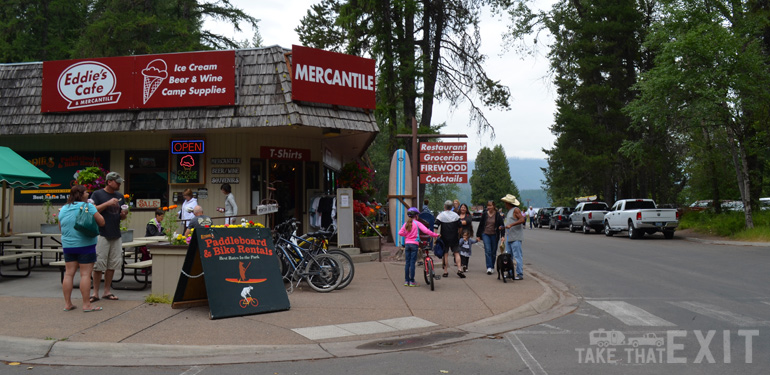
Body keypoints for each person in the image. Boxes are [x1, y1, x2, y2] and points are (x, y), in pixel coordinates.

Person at [59, 185, 105, 312]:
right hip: (85, 245)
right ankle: (86, 305)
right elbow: (101, 222)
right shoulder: (88, 206)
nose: (88, 194)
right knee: (85, 274)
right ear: (81, 194)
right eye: (86, 192)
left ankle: (68, 304)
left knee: (68, 274)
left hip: (68, 246)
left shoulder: (63, 208)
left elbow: (60, 228)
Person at [90, 171, 127, 302]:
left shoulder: (120, 196)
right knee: (99, 264)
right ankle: (95, 293)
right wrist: (107, 203)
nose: (119, 185)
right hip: (101, 233)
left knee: (112, 264)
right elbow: (92, 210)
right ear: (109, 181)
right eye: (117, 182)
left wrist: (123, 215)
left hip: (115, 233)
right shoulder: (97, 194)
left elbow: (121, 214)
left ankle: (107, 291)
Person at [398, 207, 439, 287]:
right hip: (414, 245)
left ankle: (407, 281)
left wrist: (406, 235)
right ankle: (412, 281)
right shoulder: (417, 223)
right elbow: (426, 231)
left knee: (407, 263)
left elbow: (400, 233)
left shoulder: (406, 224)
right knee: (412, 263)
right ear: (416, 216)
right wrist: (435, 235)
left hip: (407, 244)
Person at [435, 200, 463, 278]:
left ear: (444, 206)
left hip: (444, 237)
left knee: (445, 254)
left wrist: (436, 235)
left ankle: (445, 271)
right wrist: (459, 234)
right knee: (456, 253)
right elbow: (460, 226)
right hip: (454, 236)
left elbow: (436, 225)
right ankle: (459, 269)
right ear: (451, 207)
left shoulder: (441, 215)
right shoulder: (456, 215)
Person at [476, 200, 505, 275]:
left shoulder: (498, 215)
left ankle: (492, 266)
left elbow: (502, 226)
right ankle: (489, 267)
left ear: (494, 206)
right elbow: (481, 225)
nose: (488, 207)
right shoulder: (485, 214)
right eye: (488, 206)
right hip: (485, 234)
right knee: (488, 250)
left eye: (490, 206)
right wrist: (478, 235)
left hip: (494, 235)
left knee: (493, 251)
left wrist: (502, 236)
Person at [502, 194, 526, 280]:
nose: (505, 204)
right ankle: (510, 272)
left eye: (506, 202)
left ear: (508, 203)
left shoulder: (516, 210)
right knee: (509, 256)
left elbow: (522, 219)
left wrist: (511, 224)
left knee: (517, 256)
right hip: (509, 236)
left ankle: (520, 274)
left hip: (516, 237)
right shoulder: (509, 211)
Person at [457, 203, 474, 270]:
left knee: (465, 250)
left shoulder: (468, 216)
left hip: (465, 235)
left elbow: (467, 221)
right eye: (462, 207)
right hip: (458, 235)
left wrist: (458, 222)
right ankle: (460, 263)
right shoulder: (457, 215)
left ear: (466, 209)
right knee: (458, 249)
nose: (463, 208)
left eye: (464, 207)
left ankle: (465, 264)